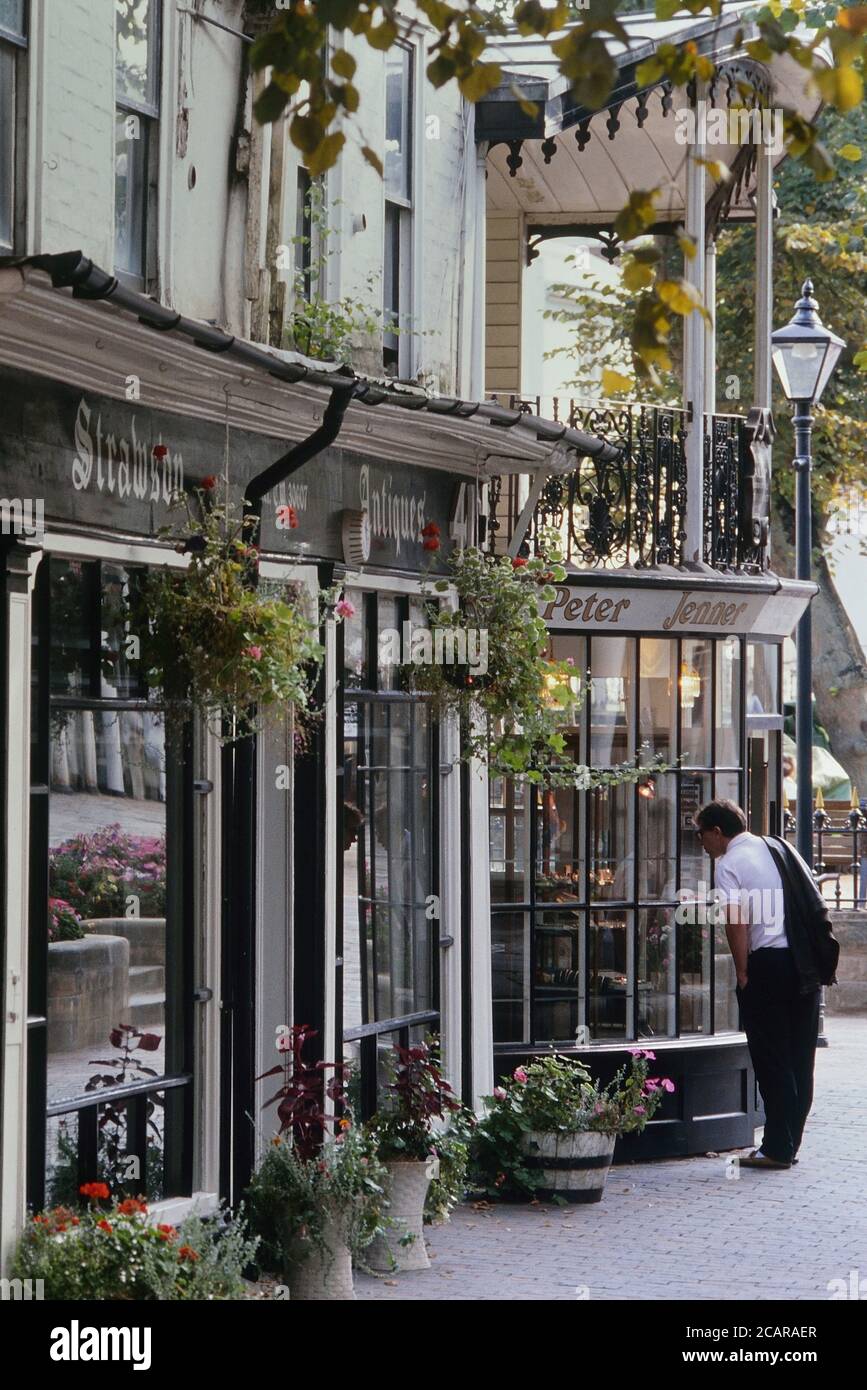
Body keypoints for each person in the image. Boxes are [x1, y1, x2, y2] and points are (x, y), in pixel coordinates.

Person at [694, 798, 820, 1171]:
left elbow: (736, 922)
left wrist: (743, 971)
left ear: (718, 832)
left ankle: (777, 1148)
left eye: (701, 834)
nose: (700, 842)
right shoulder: (777, 846)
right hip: (804, 962)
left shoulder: (729, 863)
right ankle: (787, 1143)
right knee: (800, 1057)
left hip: (769, 964)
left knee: (772, 1058)